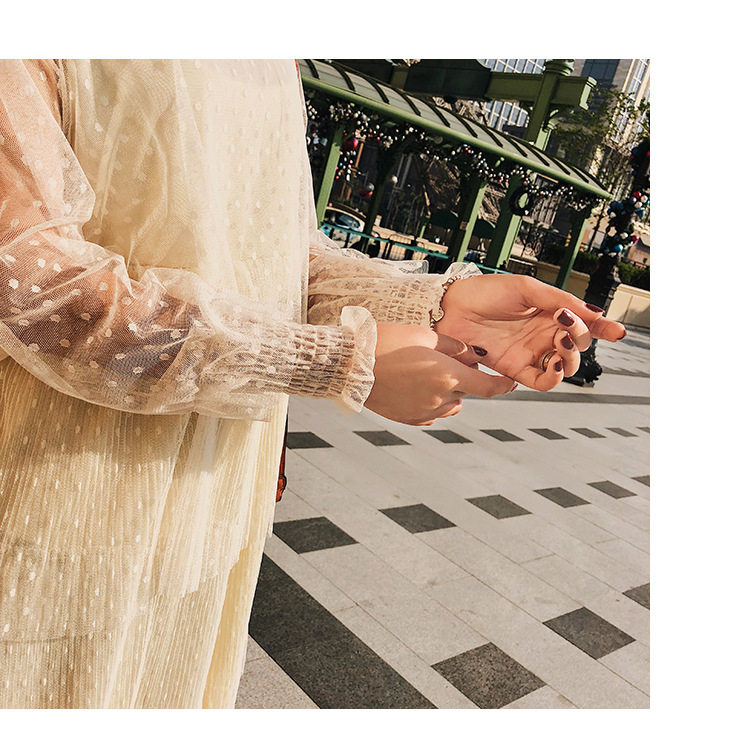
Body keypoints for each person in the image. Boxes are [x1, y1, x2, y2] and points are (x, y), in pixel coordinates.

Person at [0, 59, 626, 709]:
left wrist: (442, 305)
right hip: (55, 499)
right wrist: (332, 361)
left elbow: (284, 257)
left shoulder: (272, 57)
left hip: (215, 507)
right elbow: (33, 287)